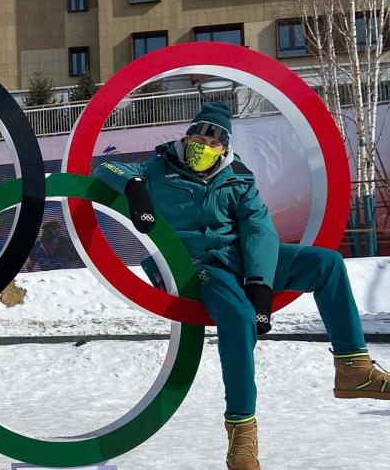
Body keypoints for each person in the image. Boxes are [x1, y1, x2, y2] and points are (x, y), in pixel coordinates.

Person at [93, 101, 390, 470]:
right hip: (193, 264)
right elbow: (101, 166)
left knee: (325, 263)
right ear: (186, 138)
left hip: (237, 257)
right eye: (197, 136)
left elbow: (258, 228)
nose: (202, 145)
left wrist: (259, 282)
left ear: (225, 147)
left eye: (212, 140)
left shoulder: (238, 177)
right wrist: (133, 185)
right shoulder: (157, 168)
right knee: (237, 316)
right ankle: (242, 435)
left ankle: (353, 367)